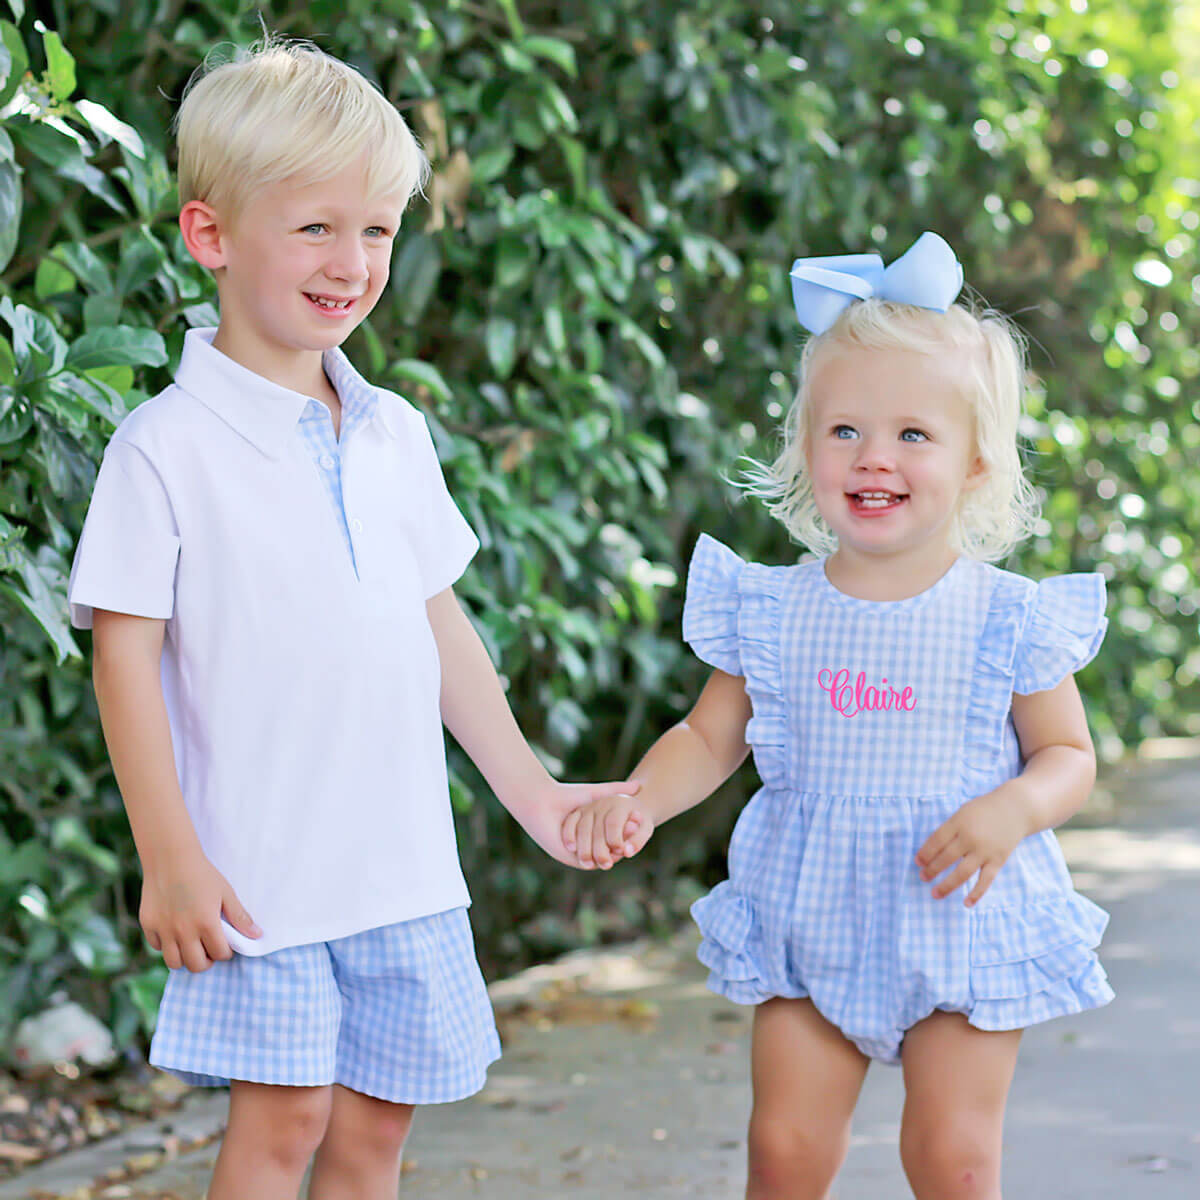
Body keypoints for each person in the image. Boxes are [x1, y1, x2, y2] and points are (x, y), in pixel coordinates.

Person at [67, 39, 635, 1200]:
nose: (353, 261)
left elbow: (440, 630)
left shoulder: (394, 435)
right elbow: (122, 662)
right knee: (283, 1130)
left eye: (376, 230)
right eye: (316, 227)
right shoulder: (164, 450)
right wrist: (168, 855)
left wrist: (533, 794)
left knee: (373, 1136)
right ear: (211, 235)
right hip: (258, 875)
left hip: (404, 872)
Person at [563, 232, 1113, 1200]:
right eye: (844, 431)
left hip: (960, 913)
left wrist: (1014, 811)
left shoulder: (1005, 616)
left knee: (951, 1157)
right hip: (810, 914)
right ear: (806, 446)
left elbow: (1067, 753)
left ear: (978, 464)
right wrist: (641, 799)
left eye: (913, 435)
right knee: (783, 1148)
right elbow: (708, 737)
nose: (874, 458)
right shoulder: (775, 609)